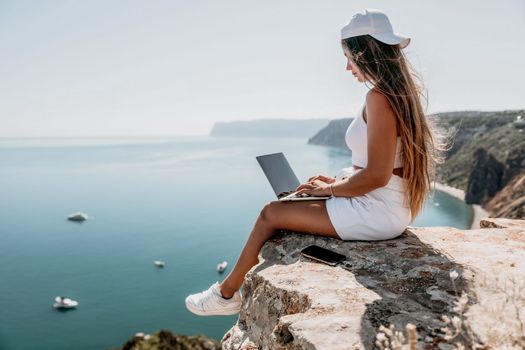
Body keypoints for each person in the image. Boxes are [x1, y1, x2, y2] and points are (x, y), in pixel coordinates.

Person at [185, 8, 445, 316]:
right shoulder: (397, 94)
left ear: (364, 53)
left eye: (349, 56)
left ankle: (226, 295)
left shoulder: (379, 98)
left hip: (376, 211)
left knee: (270, 213)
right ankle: (228, 291)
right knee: (289, 204)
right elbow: (383, 171)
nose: (348, 67)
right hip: (384, 206)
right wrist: (334, 184)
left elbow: (376, 176)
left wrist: (330, 192)